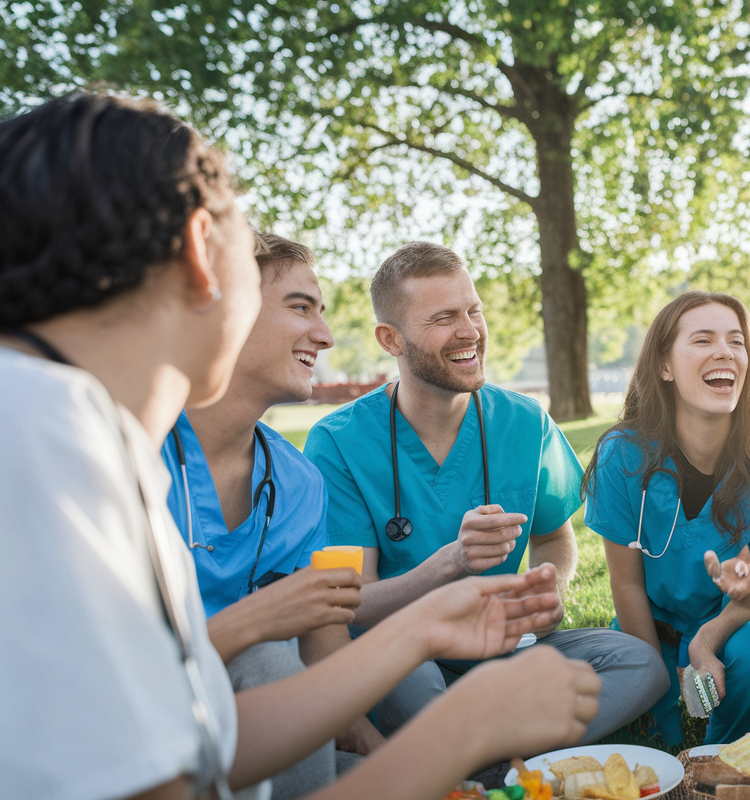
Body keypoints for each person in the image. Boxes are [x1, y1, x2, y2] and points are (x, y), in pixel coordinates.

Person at [0, 92, 599, 800]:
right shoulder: (39, 438)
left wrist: (422, 628)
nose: (322, 334)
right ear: (200, 252)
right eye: (265, 280)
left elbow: (202, 740)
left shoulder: (71, 427)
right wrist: (466, 728)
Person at [302, 241, 668, 742]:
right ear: (391, 338)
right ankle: (507, 760)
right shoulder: (338, 441)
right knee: (411, 682)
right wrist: (452, 561)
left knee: (640, 664)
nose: (470, 331)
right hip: (408, 653)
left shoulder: (524, 420)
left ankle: (472, 759)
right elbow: (353, 604)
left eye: (473, 310)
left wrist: (548, 589)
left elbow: (555, 539)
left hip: (504, 647)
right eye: (444, 318)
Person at [159, 232, 383, 798]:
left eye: (322, 313)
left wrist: (383, 751)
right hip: (130, 722)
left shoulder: (298, 482)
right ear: (224, 309)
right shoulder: (134, 451)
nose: (325, 336)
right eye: (300, 307)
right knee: (268, 663)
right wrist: (260, 622)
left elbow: (325, 646)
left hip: (240, 728)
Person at [581, 291, 750, 746]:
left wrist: (707, 640)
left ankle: (726, 753)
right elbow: (627, 584)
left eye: (736, 341)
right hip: (646, 629)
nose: (725, 352)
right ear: (664, 366)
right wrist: (649, 676)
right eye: (703, 340)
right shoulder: (623, 455)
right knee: (646, 746)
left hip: (732, 625)